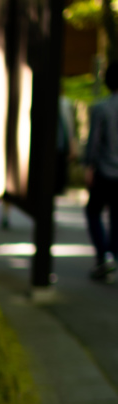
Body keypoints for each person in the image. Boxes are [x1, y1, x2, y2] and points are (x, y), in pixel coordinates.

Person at [84, 60, 118, 279]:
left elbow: (94, 141)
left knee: (93, 211)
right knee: (116, 216)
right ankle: (112, 256)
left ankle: (104, 255)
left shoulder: (101, 108)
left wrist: (89, 166)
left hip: (106, 170)